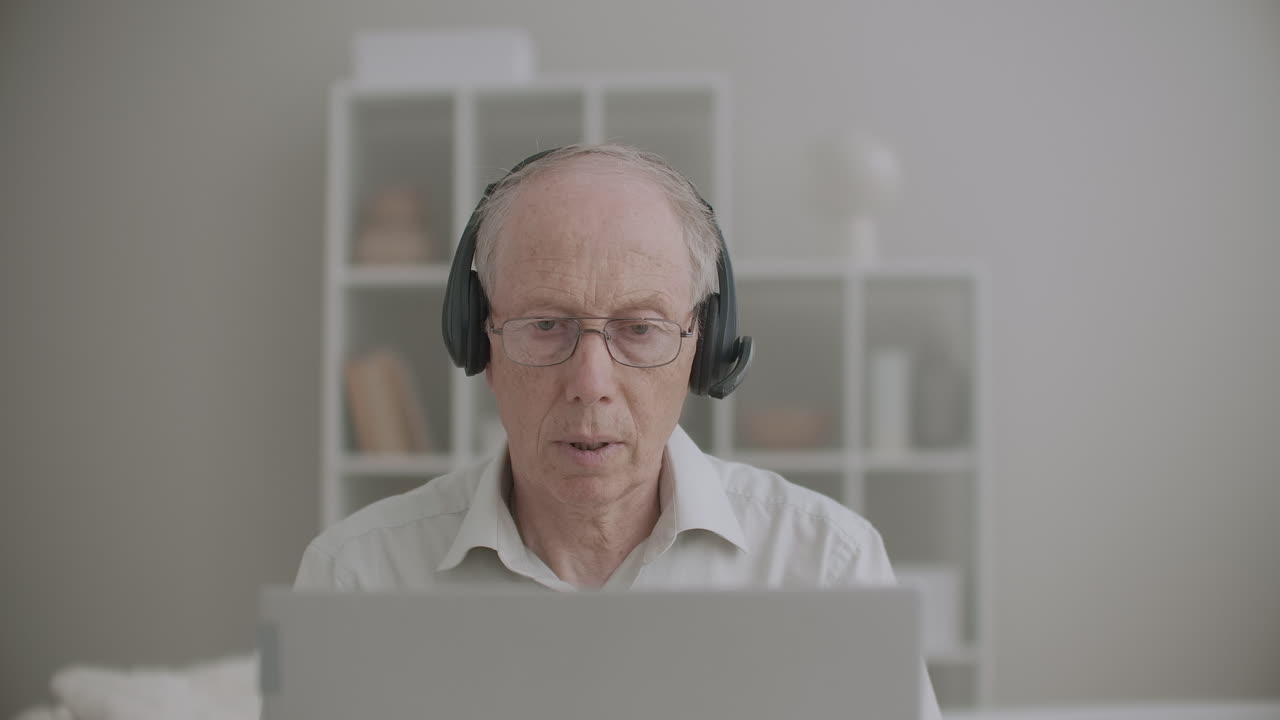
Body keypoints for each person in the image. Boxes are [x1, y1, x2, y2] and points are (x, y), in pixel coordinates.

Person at [294, 143, 941, 718]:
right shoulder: (356, 576)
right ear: (479, 344)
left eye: (639, 328)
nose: (591, 382)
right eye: (546, 324)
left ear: (703, 349)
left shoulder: (831, 567)